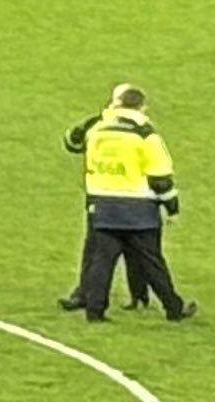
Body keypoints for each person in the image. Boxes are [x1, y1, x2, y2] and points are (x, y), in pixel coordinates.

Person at [60, 82, 192, 322]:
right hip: (138, 208)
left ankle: (95, 311)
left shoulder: (97, 130)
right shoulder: (145, 134)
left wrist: (103, 115)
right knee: (153, 263)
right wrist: (172, 207)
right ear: (142, 107)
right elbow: (160, 177)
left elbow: (72, 142)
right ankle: (174, 308)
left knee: (102, 261)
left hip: (103, 203)